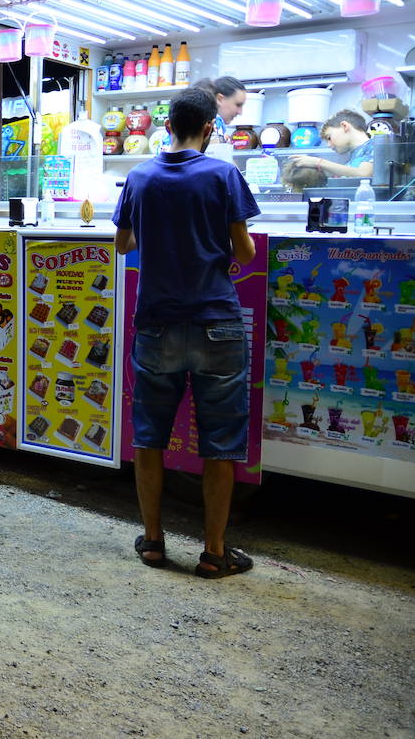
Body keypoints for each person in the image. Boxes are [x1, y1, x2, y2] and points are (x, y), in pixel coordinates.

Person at [113, 88, 259, 579]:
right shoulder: (223, 174)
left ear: (167, 126)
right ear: (209, 129)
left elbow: (122, 244)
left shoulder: (139, 175)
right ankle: (214, 553)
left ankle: (153, 541)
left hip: (156, 323)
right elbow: (245, 254)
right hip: (216, 321)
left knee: (149, 437)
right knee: (220, 442)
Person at [287, 109, 375, 180]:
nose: (329, 145)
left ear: (344, 126)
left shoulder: (374, 145)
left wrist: (319, 162)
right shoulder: (353, 157)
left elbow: (364, 174)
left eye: (329, 138)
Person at [191, 76, 247, 143]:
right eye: (238, 105)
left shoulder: (217, 128)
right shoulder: (204, 129)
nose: (240, 112)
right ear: (220, 99)